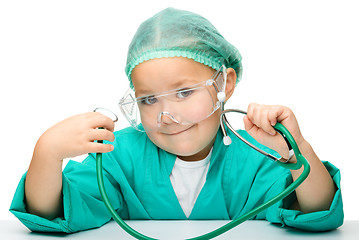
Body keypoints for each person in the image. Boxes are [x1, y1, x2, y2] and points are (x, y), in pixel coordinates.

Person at [10, 7, 343, 234]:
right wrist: (47, 154)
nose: (167, 116)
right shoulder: (118, 156)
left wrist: (296, 151)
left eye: (184, 93)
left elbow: (317, 211)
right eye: (149, 100)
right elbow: (50, 213)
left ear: (223, 84)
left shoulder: (256, 154)